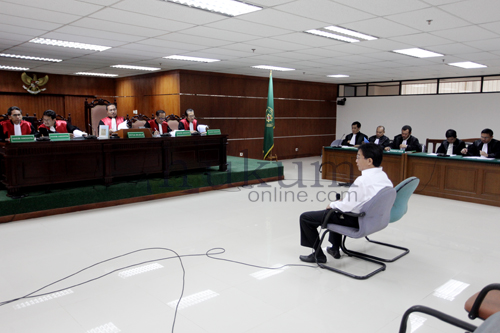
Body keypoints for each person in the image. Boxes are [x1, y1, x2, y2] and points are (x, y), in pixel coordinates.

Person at [299, 143, 393, 263]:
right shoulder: (383, 176)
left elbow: (347, 207)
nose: (356, 160)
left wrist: (333, 204)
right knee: (336, 211)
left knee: (307, 218)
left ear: (369, 161)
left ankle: (318, 256)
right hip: (374, 219)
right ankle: (334, 248)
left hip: (357, 220)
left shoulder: (363, 180)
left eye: (358, 157)